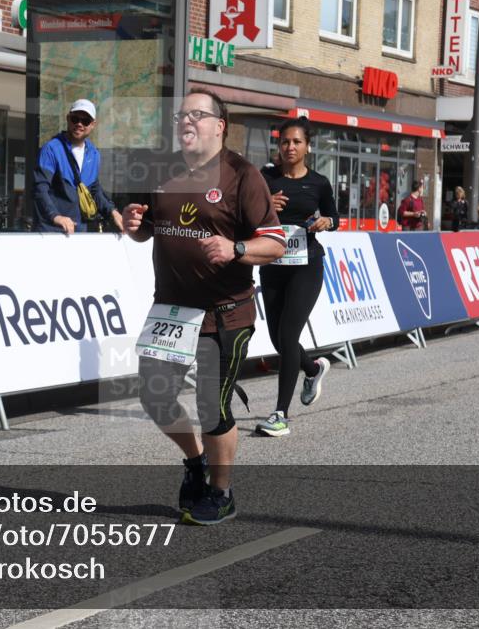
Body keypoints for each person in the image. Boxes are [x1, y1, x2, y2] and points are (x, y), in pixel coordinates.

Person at [123, 89, 284, 525]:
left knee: (212, 407)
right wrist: (134, 226)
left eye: (197, 114)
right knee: (156, 398)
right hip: (171, 313)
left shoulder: (241, 175)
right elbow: (147, 227)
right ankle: (195, 464)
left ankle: (221, 491)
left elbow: (276, 242)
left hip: (223, 311)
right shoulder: (162, 169)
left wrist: (236, 248)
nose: (186, 122)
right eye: (182, 115)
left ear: (220, 125)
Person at [254, 116, 337, 438]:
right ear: (279, 145)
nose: (290, 147)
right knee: (278, 339)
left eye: (297, 142)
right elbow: (246, 215)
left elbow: (335, 217)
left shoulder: (318, 182)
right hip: (272, 263)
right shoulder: (265, 178)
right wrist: (265, 205)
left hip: (307, 264)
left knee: (288, 335)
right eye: (285, 141)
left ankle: (279, 414)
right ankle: (313, 368)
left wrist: (326, 222)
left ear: (308, 147)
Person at [33, 99, 123, 234]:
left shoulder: (93, 154)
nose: (79, 124)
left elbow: (94, 190)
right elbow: (39, 188)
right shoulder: (51, 149)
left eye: (85, 121)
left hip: (78, 231)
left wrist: (113, 212)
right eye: (75, 119)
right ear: (68, 119)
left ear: (93, 125)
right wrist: (55, 216)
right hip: (50, 231)